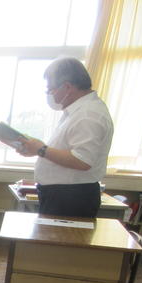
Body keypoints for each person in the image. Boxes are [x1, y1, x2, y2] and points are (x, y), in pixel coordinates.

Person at [16, 57, 114, 218]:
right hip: (62, 194)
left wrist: (41, 149)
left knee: (60, 235)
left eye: (51, 90)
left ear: (67, 87)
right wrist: (36, 149)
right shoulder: (77, 112)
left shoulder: (88, 114)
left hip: (71, 197)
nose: (50, 95)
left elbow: (82, 161)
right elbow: (67, 150)